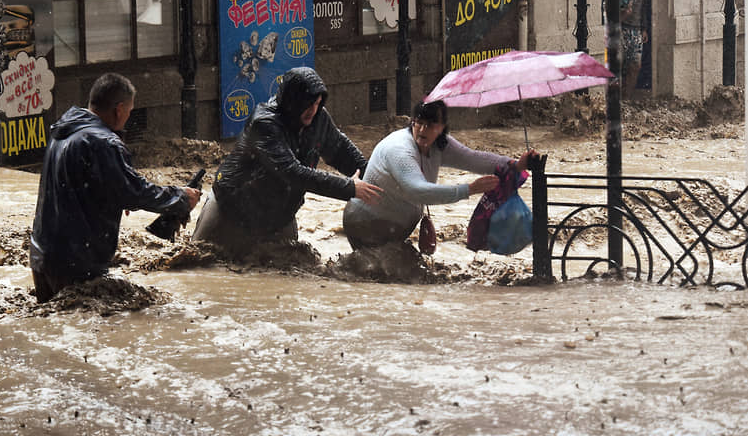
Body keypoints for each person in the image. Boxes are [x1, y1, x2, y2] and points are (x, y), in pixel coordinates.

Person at [30, 73, 201, 302]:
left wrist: (118, 194)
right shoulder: (102, 142)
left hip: (43, 257)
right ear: (119, 109)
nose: (128, 118)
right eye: (129, 112)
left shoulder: (64, 131)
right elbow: (133, 191)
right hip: (77, 263)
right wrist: (180, 197)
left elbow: (89, 187)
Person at [192, 66, 381, 250]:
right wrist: (349, 188)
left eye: (317, 104)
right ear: (292, 100)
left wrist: (377, 181)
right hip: (229, 212)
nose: (313, 110)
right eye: (308, 104)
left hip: (279, 218)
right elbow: (293, 173)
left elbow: (341, 151)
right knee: (199, 265)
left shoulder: (319, 119)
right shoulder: (264, 124)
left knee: (289, 273)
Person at [342, 100, 536, 250]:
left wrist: (516, 164)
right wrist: (469, 189)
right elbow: (417, 190)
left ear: (442, 127)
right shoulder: (399, 149)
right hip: (366, 224)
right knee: (395, 279)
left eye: (431, 125)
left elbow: (474, 158)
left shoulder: (440, 145)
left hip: (394, 227)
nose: (423, 130)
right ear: (413, 122)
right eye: (419, 123)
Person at [620, 0, 649, 99]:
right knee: (618, 65)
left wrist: (644, 28)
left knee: (635, 66)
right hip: (620, 28)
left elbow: (644, 5)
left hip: (636, 29)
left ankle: (626, 98)